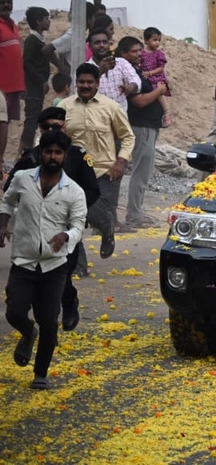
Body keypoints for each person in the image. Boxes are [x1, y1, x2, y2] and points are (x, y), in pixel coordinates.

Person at [0, 129, 87, 390]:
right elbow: (7, 203)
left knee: (49, 320)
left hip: (54, 265)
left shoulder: (74, 190)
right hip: (24, 261)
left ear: (64, 156)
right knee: (14, 311)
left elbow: (78, 225)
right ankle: (28, 332)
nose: (52, 156)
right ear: (41, 153)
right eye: (48, 151)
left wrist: (65, 235)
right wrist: (3, 225)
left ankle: (40, 373)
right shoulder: (23, 179)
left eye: (58, 153)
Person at [5, 107, 101, 329]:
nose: (51, 130)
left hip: (67, 229)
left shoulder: (77, 156)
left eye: (56, 126)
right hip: (33, 230)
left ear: (64, 126)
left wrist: (72, 210)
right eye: (46, 127)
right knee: (30, 279)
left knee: (63, 274)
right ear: (40, 129)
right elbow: (10, 190)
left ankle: (68, 305)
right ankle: (31, 320)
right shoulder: (30, 159)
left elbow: (92, 190)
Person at [60, 62, 134, 258]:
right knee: (71, 218)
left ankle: (107, 228)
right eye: (81, 82)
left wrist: (121, 161)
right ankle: (77, 265)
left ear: (97, 83)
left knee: (91, 213)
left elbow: (128, 137)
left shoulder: (111, 107)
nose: (85, 86)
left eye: (89, 82)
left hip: (103, 171)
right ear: (76, 83)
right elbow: (48, 133)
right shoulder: (64, 107)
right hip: (71, 173)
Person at [118, 36, 167, 229]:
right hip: (141, 126)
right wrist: (159, 91)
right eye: (134, 51)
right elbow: (139, 101)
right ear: (123, 54)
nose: (139, 54)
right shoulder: (128, 74)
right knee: (141, 171)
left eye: (140, 50)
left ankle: (136, 212)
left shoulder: (136, 71)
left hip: (149, 126)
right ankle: (134, 215)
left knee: (144, 171)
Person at [21, 7, 60, 153]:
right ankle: (24, 152)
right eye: (46, 18)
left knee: (34, 119)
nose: (49, 21)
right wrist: (41, 81)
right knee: (31, 121)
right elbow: (27, 63)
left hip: (36, 86)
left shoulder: (38, 39)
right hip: (33, 87)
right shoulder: (32, 40)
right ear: (38, 21)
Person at [86, 28, 139, 112]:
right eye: (97, 43)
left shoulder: (121, 62)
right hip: (97, 119)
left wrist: (131, 86)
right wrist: (99, 72)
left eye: (105, 42)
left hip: (120, 118)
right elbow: (83, 93)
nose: (102, 45)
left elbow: (136, 80)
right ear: (90, 46)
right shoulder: (85, 68)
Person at [0, 0, 24, 167]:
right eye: (2, 2)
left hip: (14, 85)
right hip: (1, 86)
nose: (6, 5)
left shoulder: (13, 25)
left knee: (7, 123)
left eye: (9, 2)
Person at [140, 27, 173, 127]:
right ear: (146, 40)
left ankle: (167, 113)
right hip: (145, 76)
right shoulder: (141, 52)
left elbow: (161, 68)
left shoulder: (159, 54)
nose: (157, 43)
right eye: (154, 40)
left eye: (159, 40)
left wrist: (150, 73)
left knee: (157, 92)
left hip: (156, 77)